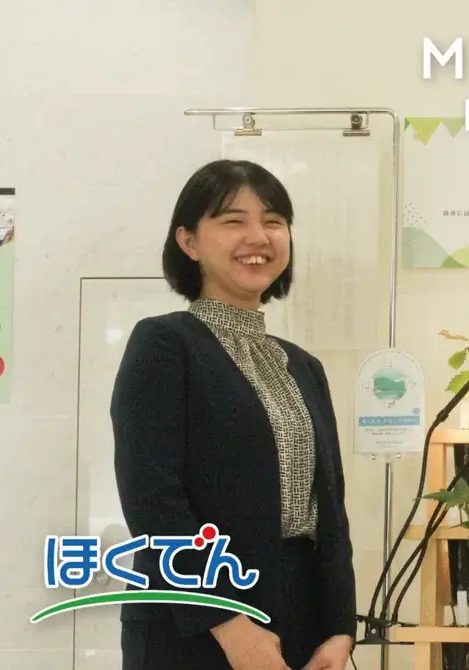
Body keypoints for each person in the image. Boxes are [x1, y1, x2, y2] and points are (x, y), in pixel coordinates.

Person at [111, 159, 357, 670]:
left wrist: (340, 629)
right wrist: (227, 622)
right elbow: (153, 500)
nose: (258, 237)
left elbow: (330, 511)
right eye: (232, 221)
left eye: (273, 221)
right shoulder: (164, 343)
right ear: (189, 241)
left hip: (301, 620)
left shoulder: (303, 366)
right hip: (195, 623)